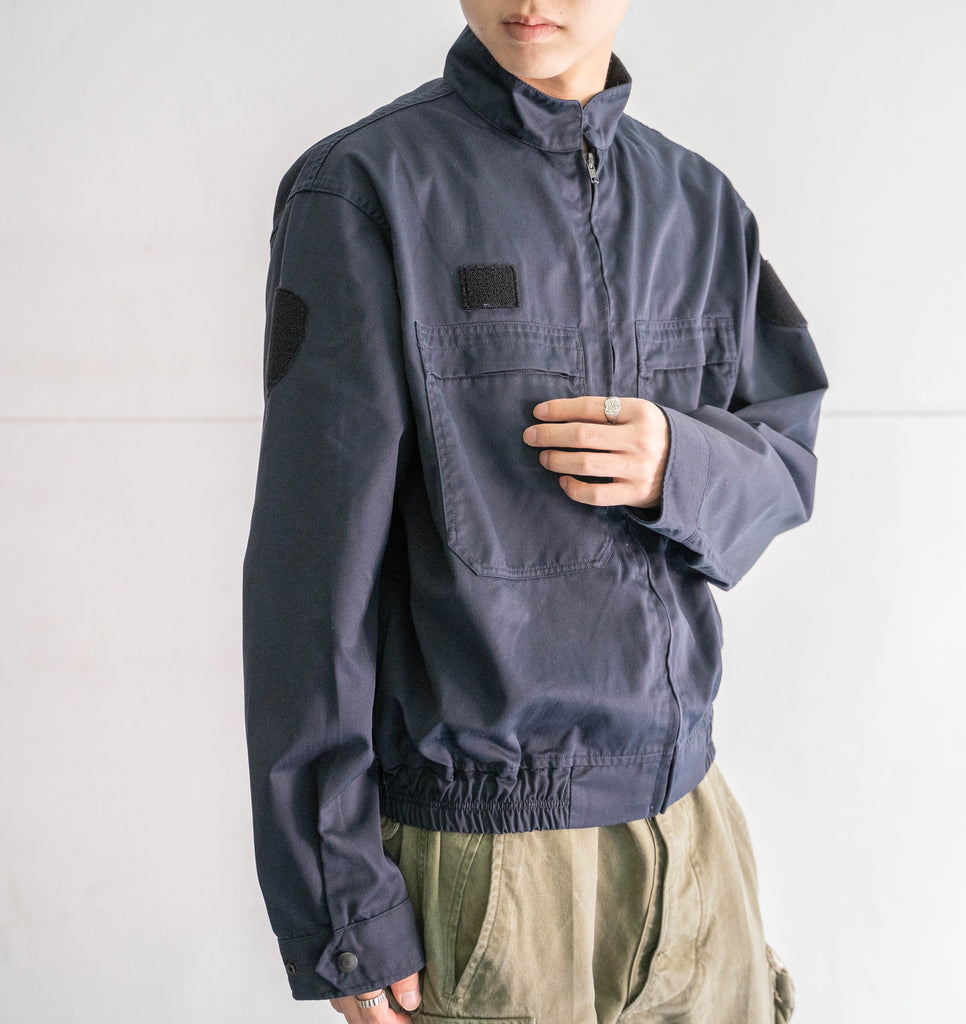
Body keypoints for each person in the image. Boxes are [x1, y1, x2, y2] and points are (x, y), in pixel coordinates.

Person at [242, 1, 827, 1021]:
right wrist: (339, 899)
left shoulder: (700, 206)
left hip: (693, 833)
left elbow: (786, 456)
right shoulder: (366, 191)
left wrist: (677, 462)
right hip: (487, 861)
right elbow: (309, 575)